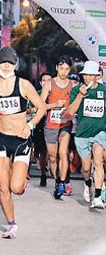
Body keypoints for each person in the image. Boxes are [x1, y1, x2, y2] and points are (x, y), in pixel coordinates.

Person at [0, 46, 46, 239]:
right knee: (3, 188)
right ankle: (12, 224)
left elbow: (41, 109)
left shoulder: (23, 85)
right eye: (2, 62)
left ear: (15, 64)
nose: (5, 66)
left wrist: (29, 126)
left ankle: (21, 180)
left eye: (9, 63)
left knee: (16, 188)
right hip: (0, 139)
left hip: (21, 140)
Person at [63, 60, 106, 209]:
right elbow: (70, 112)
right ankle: (88, 184)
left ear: (96, 76)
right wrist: (81, 96)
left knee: (98, 161)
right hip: (82, 133)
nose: (87, 78)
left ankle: (99, 197)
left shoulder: (104, 90)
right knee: (86, 167)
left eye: (91, 75)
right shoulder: (77, 90)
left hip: (100, 132)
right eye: (85, 75)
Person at [40, 56, 73, 198]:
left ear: (69, 69)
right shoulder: (49, 84)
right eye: (61, 68)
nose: (63, 72)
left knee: (63, 152)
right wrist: (54, 105)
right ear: (56, 68)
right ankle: (57, 180)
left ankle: (62, 183)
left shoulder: (73, 85)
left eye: (66, 69)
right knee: (52, 157)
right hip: (51, 124)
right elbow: (40, 105)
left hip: (65, 124)